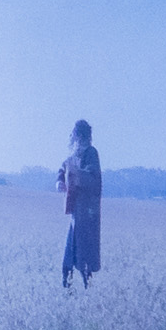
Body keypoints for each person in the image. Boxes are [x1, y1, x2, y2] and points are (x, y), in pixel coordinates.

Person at [60, 118, 105, 288]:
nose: (72, 137)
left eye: (75, 134)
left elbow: (92, 178)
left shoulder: (91, 153)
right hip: (76, 214)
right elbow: (64, 167)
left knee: (83, 259)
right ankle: (68, 294)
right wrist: (60, 180)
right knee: (68, 261)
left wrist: (75, 175)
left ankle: (88, 293)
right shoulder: (75, 154)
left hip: (87, 215)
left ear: (80, 135)